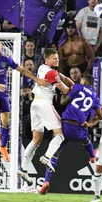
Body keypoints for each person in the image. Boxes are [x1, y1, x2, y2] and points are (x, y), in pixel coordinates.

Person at [0, 38, 48, 162]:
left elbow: (22, 69)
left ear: (1, 47)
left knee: (6, 122)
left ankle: (3, 147)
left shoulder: (6, 59)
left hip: (2, 91)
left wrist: (37, 80)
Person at [36, 75, 102, 195]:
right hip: (79, 129)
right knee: (86, 140)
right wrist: (90, 123)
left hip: (66, 126)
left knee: (55, 153)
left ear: (84, 81)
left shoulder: (78, 87)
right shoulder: (95, 97)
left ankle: (46, 181)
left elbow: (63, 102)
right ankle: (92, 156)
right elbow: (101, 116)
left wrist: (62, 83)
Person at [17, 47, 72, 185]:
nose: (57, 60)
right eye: (54, 58)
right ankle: (47, 156)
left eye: (58, 58)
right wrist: (78, 89)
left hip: (34, 104)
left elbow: (58, 77)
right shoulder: (52, 73)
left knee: (36, 139)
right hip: (44, 104)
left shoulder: (42, 68)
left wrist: (63, 77)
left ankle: (23, 168)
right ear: (47, 60)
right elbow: (65, 90)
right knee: (59, 134)